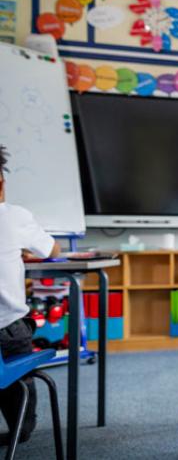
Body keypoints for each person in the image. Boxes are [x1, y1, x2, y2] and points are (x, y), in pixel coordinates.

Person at [0, 144, 61, 445]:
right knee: (21, 330)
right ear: (1, 182)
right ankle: (20, 429)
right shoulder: (14, 216)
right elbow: (53, 250)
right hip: (7, 333)